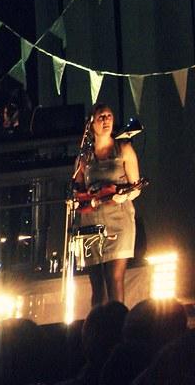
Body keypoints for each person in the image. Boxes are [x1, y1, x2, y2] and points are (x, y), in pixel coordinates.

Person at [72, 103, 141, 307]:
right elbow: (77, 189)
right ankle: (99, 331)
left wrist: (123, 196)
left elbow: (136, 188)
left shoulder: (124, 149)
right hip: (91, 224)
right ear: (91, 123)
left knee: (114, 279)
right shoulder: (85, 156)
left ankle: (118, 327)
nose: (106, 120)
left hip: (119, 222)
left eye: (109, 116)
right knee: (97, 285)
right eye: (101, 117)